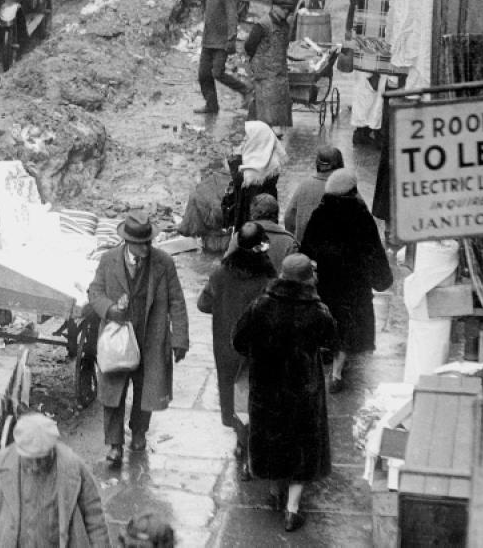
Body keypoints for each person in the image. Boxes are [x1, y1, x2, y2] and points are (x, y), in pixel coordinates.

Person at [233, 253, 339, 533]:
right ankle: (292, 509)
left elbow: (238, 340)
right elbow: (331, 343)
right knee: (302, 447)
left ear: (281, 275)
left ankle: (274, 491)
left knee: (271, 439)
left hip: (266, 388)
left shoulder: (260, 306)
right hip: (304, 392)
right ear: (308, 279)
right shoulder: (318, 311)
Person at [87, 209, 189, 467]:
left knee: (147, 389)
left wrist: (180, 339)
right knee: (113, 392)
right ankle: (114, 444)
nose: (146, 247)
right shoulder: (109, 260)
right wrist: (110, 309)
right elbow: (95, 292)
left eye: (148, 241)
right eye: (140, 243)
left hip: (151, 337)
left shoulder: (163, 262)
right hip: (118, 339)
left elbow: (177, 300)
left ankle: (139, 431)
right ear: (127, 242)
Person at [299, 169, 393, 392]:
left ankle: (328, 357)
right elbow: (373, 251)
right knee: (348, 328)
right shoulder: (360, 215)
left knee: (332, 322)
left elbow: (307, 249)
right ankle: (337, 373)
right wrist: (382, 278)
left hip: (327, 283)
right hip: (354, 287)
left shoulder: (320, 214)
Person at [0, 412, 109, 548]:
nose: (35, 465)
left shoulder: (73, 467)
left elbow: (95, 519)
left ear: (52, 449)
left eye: (41, 458)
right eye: (29, 458)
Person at [198, 223, 276, 477]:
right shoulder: (268, 279)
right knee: (255, 400)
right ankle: (250, 452)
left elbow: (203, 304)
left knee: (232, 398)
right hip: (258, 351)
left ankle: (241, 442)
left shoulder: (220, 274)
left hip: (226, 348)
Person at [195, 0, 249, 115]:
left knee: (217, 73)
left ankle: (245, 89)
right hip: (208, 41)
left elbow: (232, 17)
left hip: (221, 42)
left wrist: (231, 39)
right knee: (203, 75)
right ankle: (211, 105)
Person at [222, 121, 286, 232]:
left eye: (247, 138)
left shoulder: (249, 168)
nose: (244, 141)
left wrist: (234, 159)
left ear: (257, 139)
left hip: (250, 222)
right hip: (265, 221)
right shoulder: (270, 161)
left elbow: (238, 181)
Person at [244, 0, 294, 131]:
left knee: (279, 99)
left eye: (288, 9)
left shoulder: (285, 25)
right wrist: (259, 61)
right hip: (264, 70)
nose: (286, 12)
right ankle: (264, 129)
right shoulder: (262, 24)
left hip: (279, 69)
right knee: (265, 100)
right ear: (274, 7)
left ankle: (265, 128)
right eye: (283, 8)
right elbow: (249, 46)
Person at [283, 145, 344, 240]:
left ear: (317, 164)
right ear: (341, 165)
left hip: (305, 245)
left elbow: (288, 217)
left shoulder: (304, 185)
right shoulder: (347, 188)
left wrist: (294, 240)